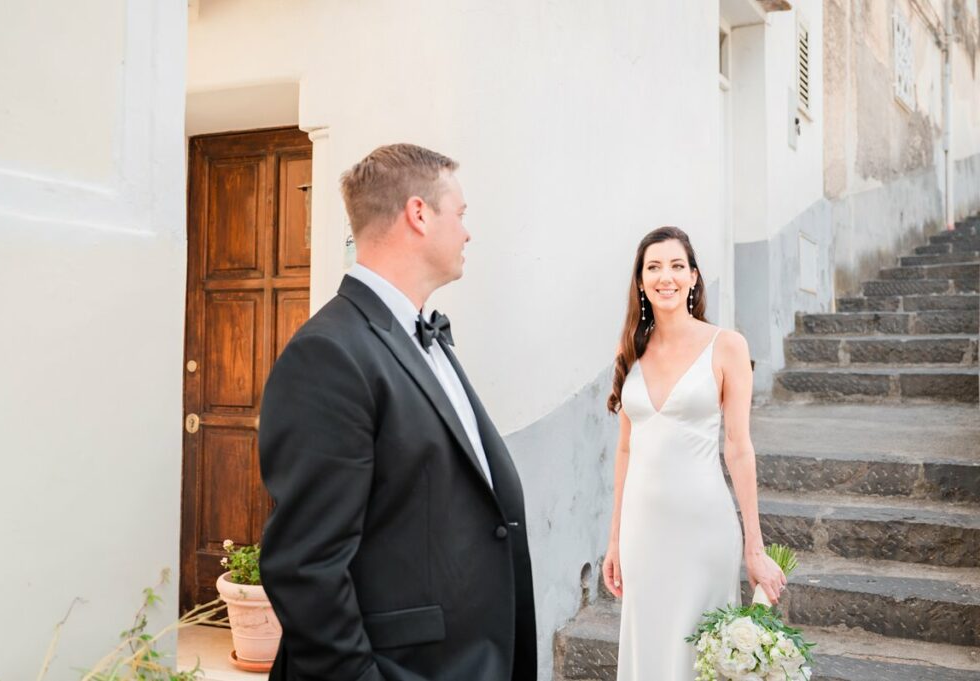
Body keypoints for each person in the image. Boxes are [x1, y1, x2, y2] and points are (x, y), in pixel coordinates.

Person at [258, 143, 537, 681]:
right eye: (460, 214)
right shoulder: (330, 354)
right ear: (418, 213)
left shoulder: (419, 336)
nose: (467, 232)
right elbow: (305, 567)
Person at [601, 226, 786, 680]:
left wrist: (755, 547)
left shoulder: (726, 345)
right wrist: (614, 541)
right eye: (654, 267)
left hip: (704, 529)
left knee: (701, 657)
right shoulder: (631, 351)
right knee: (651, 654)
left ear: (694, 277)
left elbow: (739, 448)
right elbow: (625, 450)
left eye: (677, 266)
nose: (666, 276)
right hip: (643, 534)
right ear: (641, 282)